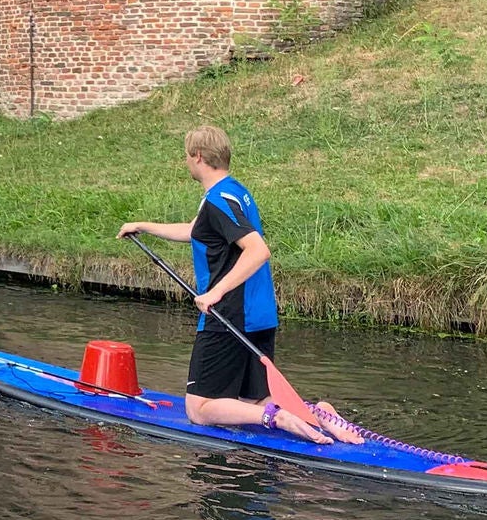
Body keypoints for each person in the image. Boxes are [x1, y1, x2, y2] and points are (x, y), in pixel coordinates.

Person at [117, 127, 358, 444]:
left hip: (228, 316)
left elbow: (258, 250)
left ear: (198, 157)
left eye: (187, 156)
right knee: (250, 399)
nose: (186, 162)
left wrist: (216, 292)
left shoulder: (218, 202)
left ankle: (277, 417)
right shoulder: (233, 193)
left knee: (199, 409)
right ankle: (314, 414)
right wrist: (142, 226)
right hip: (260, 313)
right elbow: (196, 231)